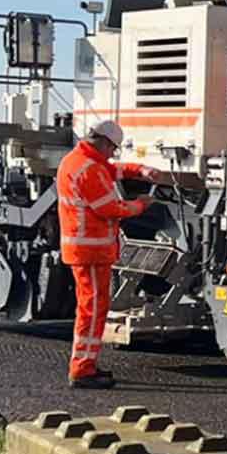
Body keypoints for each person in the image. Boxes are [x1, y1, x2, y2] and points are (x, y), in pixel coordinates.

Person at [55, 120, 169, 388]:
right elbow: (111, 209)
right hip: (90, 251)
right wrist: (141, 205)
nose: (112, 155)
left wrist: (141, 170)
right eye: (113, 149)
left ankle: (85, 365)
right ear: (105, 142)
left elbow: (113, 169)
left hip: (87, 250)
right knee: (92, 311)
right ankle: (82, 369)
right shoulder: (89, 169)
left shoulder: (81, 161)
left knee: (92, 309)